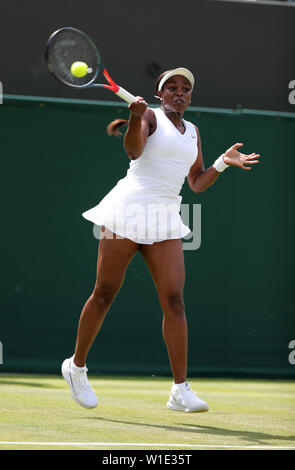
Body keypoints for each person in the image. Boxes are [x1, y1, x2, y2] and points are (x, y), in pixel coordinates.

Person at [62, 68, 260, 413]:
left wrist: (222, 164)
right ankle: (76, 367)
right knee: (104, 293)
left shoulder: (193, 132)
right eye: (172, 87)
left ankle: (179, 390)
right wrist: (135, 116)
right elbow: (134, 152)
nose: (179, 92)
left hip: (166, 219)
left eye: (185, 88)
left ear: (190, 97)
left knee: (175, 300)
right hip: (125, 212)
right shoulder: (150, 116)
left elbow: (196, 182)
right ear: (160, 93)